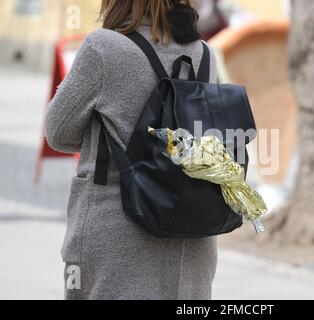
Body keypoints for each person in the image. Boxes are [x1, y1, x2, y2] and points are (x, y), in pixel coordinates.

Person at [44, 0, 218, 300]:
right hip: (192, 248)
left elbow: (58, 132)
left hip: (117, 241)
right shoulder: (205, 55)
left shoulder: (105, 48)